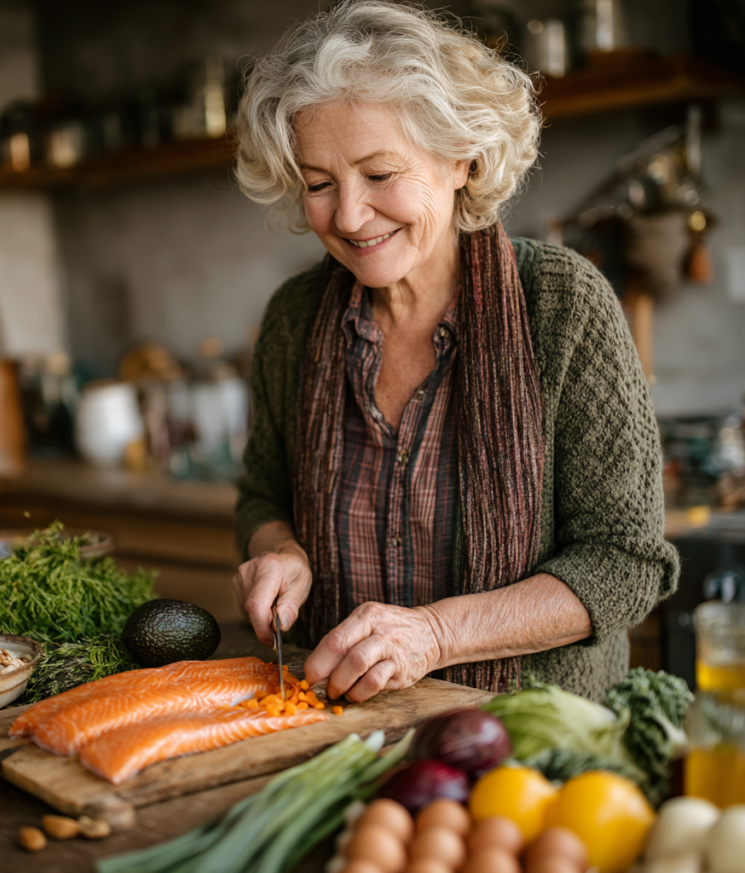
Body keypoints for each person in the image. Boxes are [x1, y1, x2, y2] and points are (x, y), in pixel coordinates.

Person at [231, 0, 679, 703]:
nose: (347, 215)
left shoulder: (561, 305)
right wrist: (277, 552)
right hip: (340, 732)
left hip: (530, 747)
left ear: (460, 158)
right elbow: (262, 492)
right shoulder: (294, 319)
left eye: (379, 174)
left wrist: (434, 635)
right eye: (318, 184)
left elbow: (622, 563)